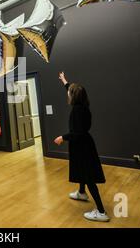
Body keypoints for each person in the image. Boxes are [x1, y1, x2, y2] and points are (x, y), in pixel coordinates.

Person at [54, 72, 110, 222]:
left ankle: (101, 211)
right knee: (82, 170)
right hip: (84, 145)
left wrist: (62, 138)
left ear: (74, 96)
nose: (68, 94)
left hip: (82, 146)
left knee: (88, 176)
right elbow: (71, 89)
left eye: (69, 93)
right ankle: (81, 192)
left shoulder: (77, 111)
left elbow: (77, 133)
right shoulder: (83, 105)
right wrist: (64, 81)